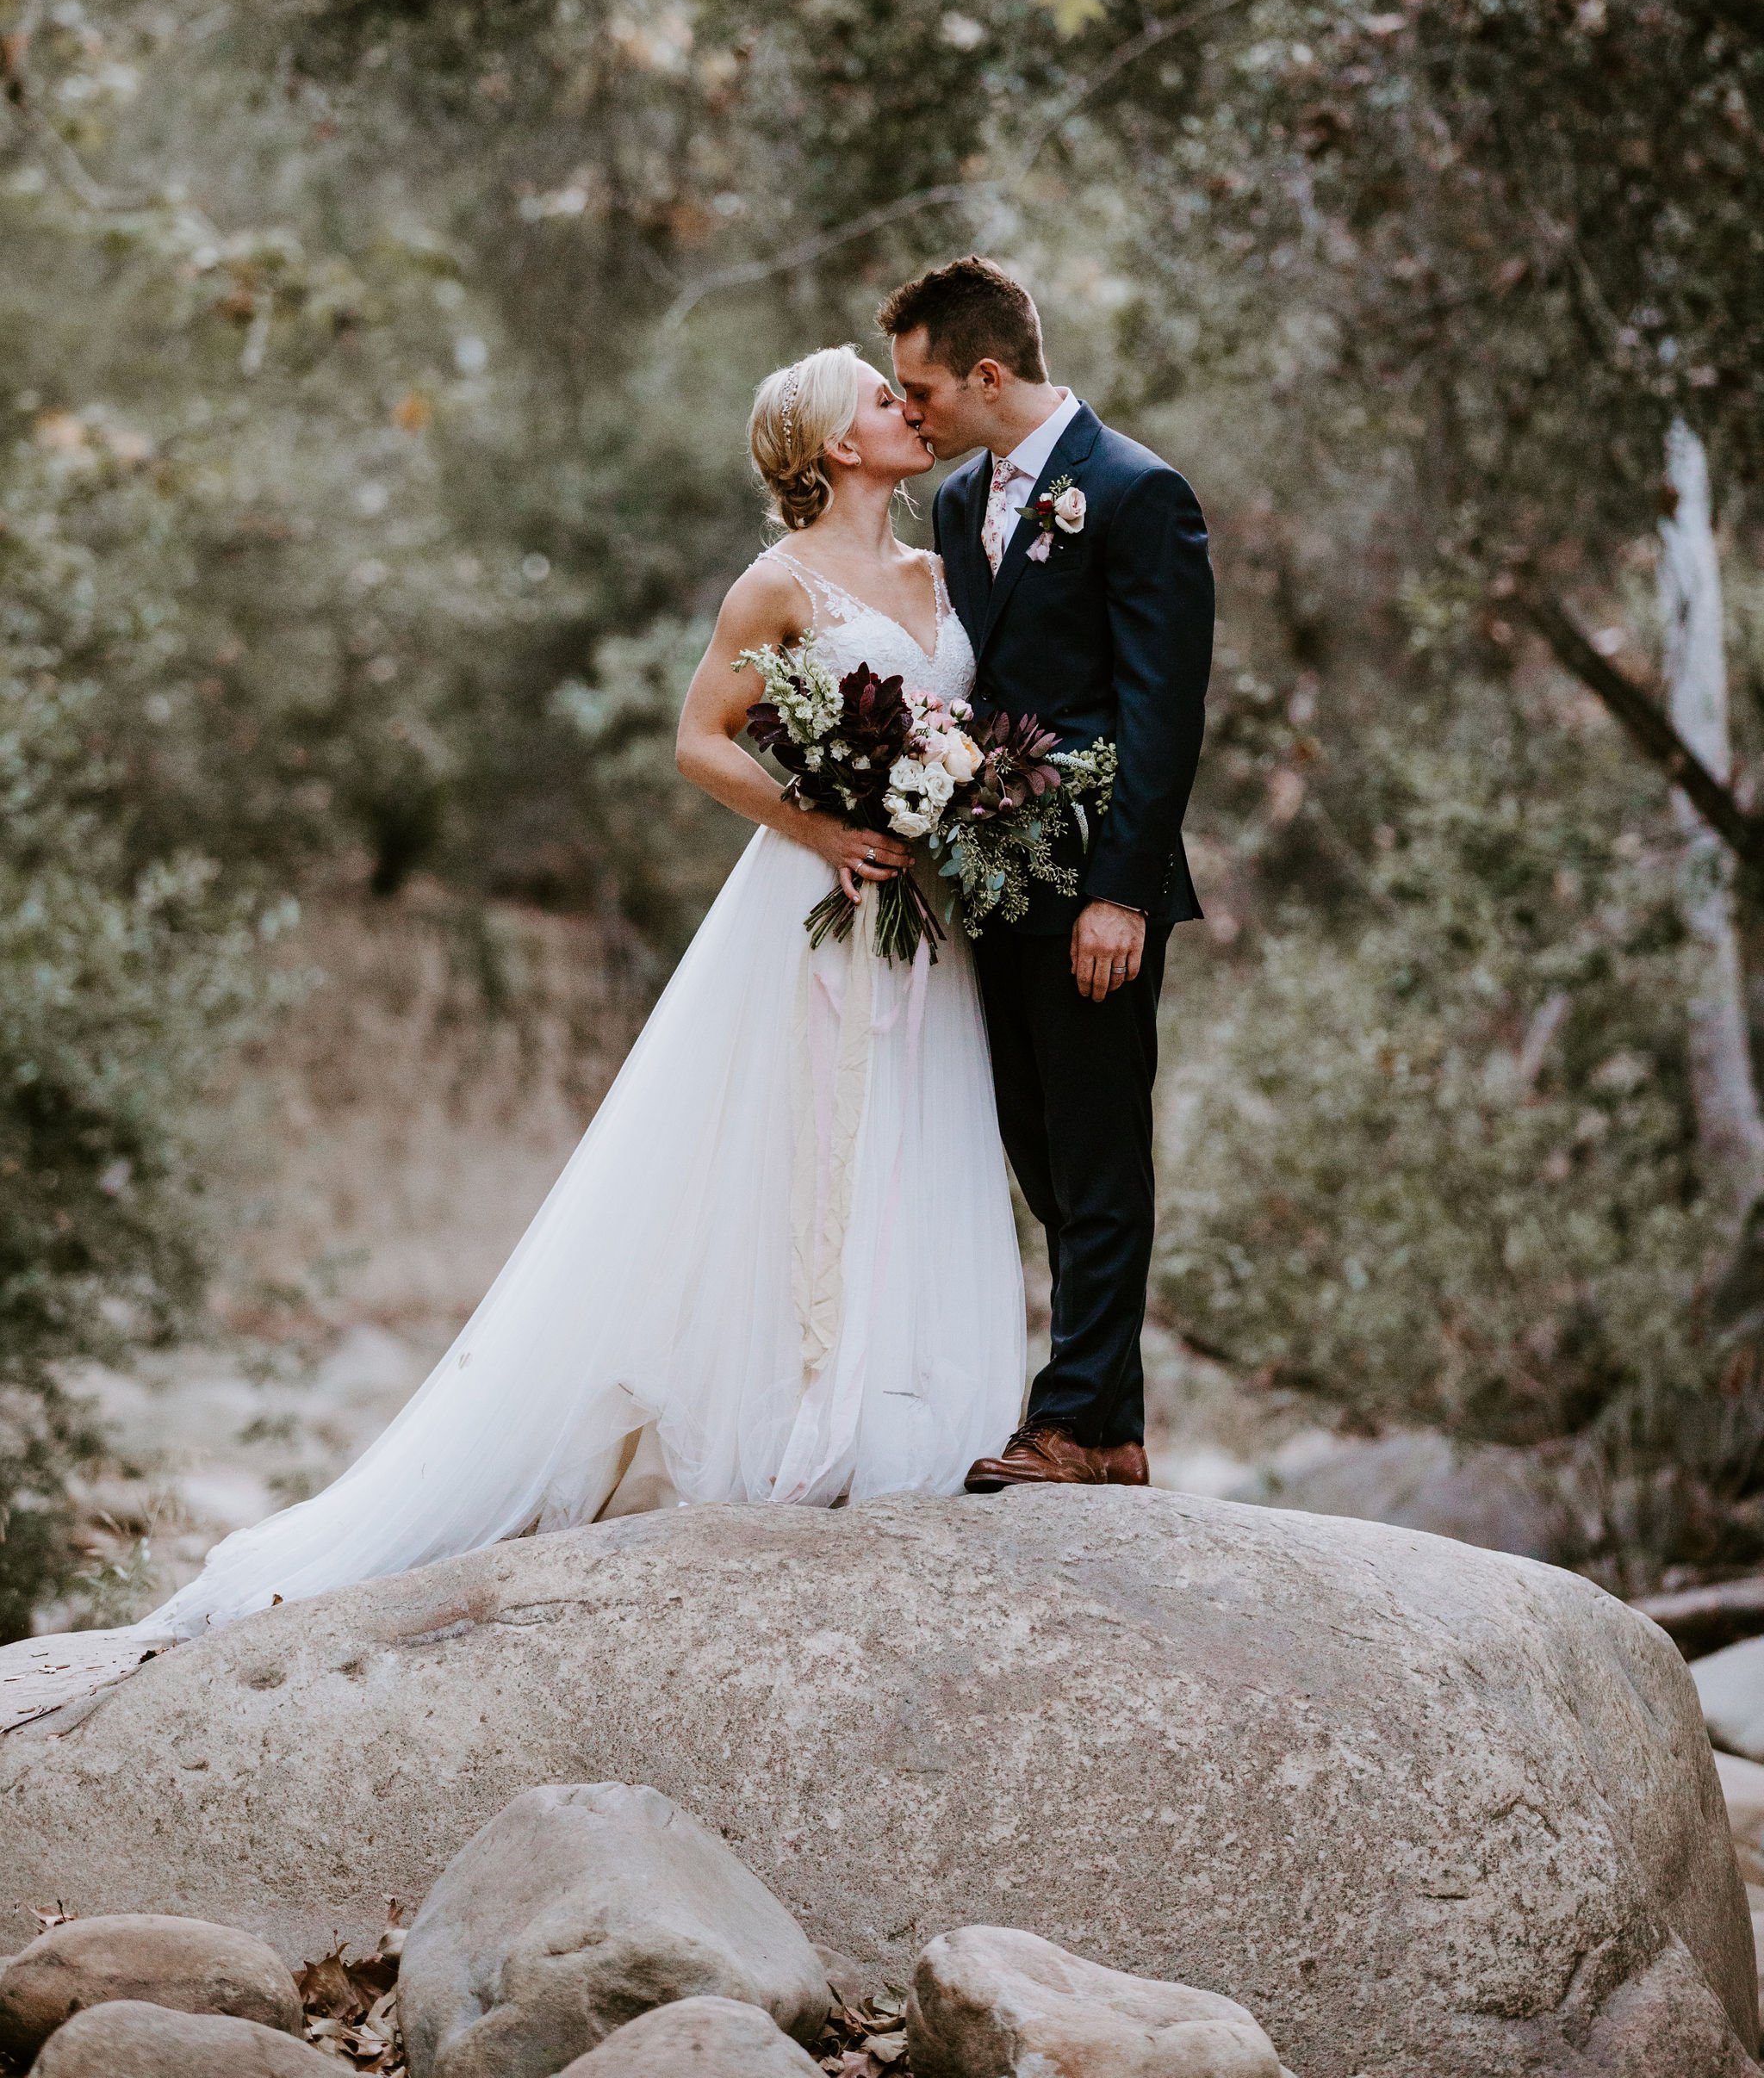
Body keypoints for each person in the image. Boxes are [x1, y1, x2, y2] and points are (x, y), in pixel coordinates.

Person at [0, 344, 1025, 1734]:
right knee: (802, 1137)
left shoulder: (945, 568)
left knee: (914, 1133)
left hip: (929, 911)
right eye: (882, 400)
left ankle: (899, 1412)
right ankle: (802, 1420)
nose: (909, 412)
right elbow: (701, 737)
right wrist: (823, 823)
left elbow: (970, 718)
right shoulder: (778, 583)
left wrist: (954, 802)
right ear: (829, 443)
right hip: (825, 893)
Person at [883, 257, 1214, 1492]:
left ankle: (1077, 1420)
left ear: (986, 373)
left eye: (920, 390)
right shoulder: (961, 502)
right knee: (1037, 1148)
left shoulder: (1137, 493)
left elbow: (1161, 709)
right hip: (994, 881)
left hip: (1096, 886)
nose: (908, 413)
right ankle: (1109, 1428)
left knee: (1097, 1146)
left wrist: (1120, 891)